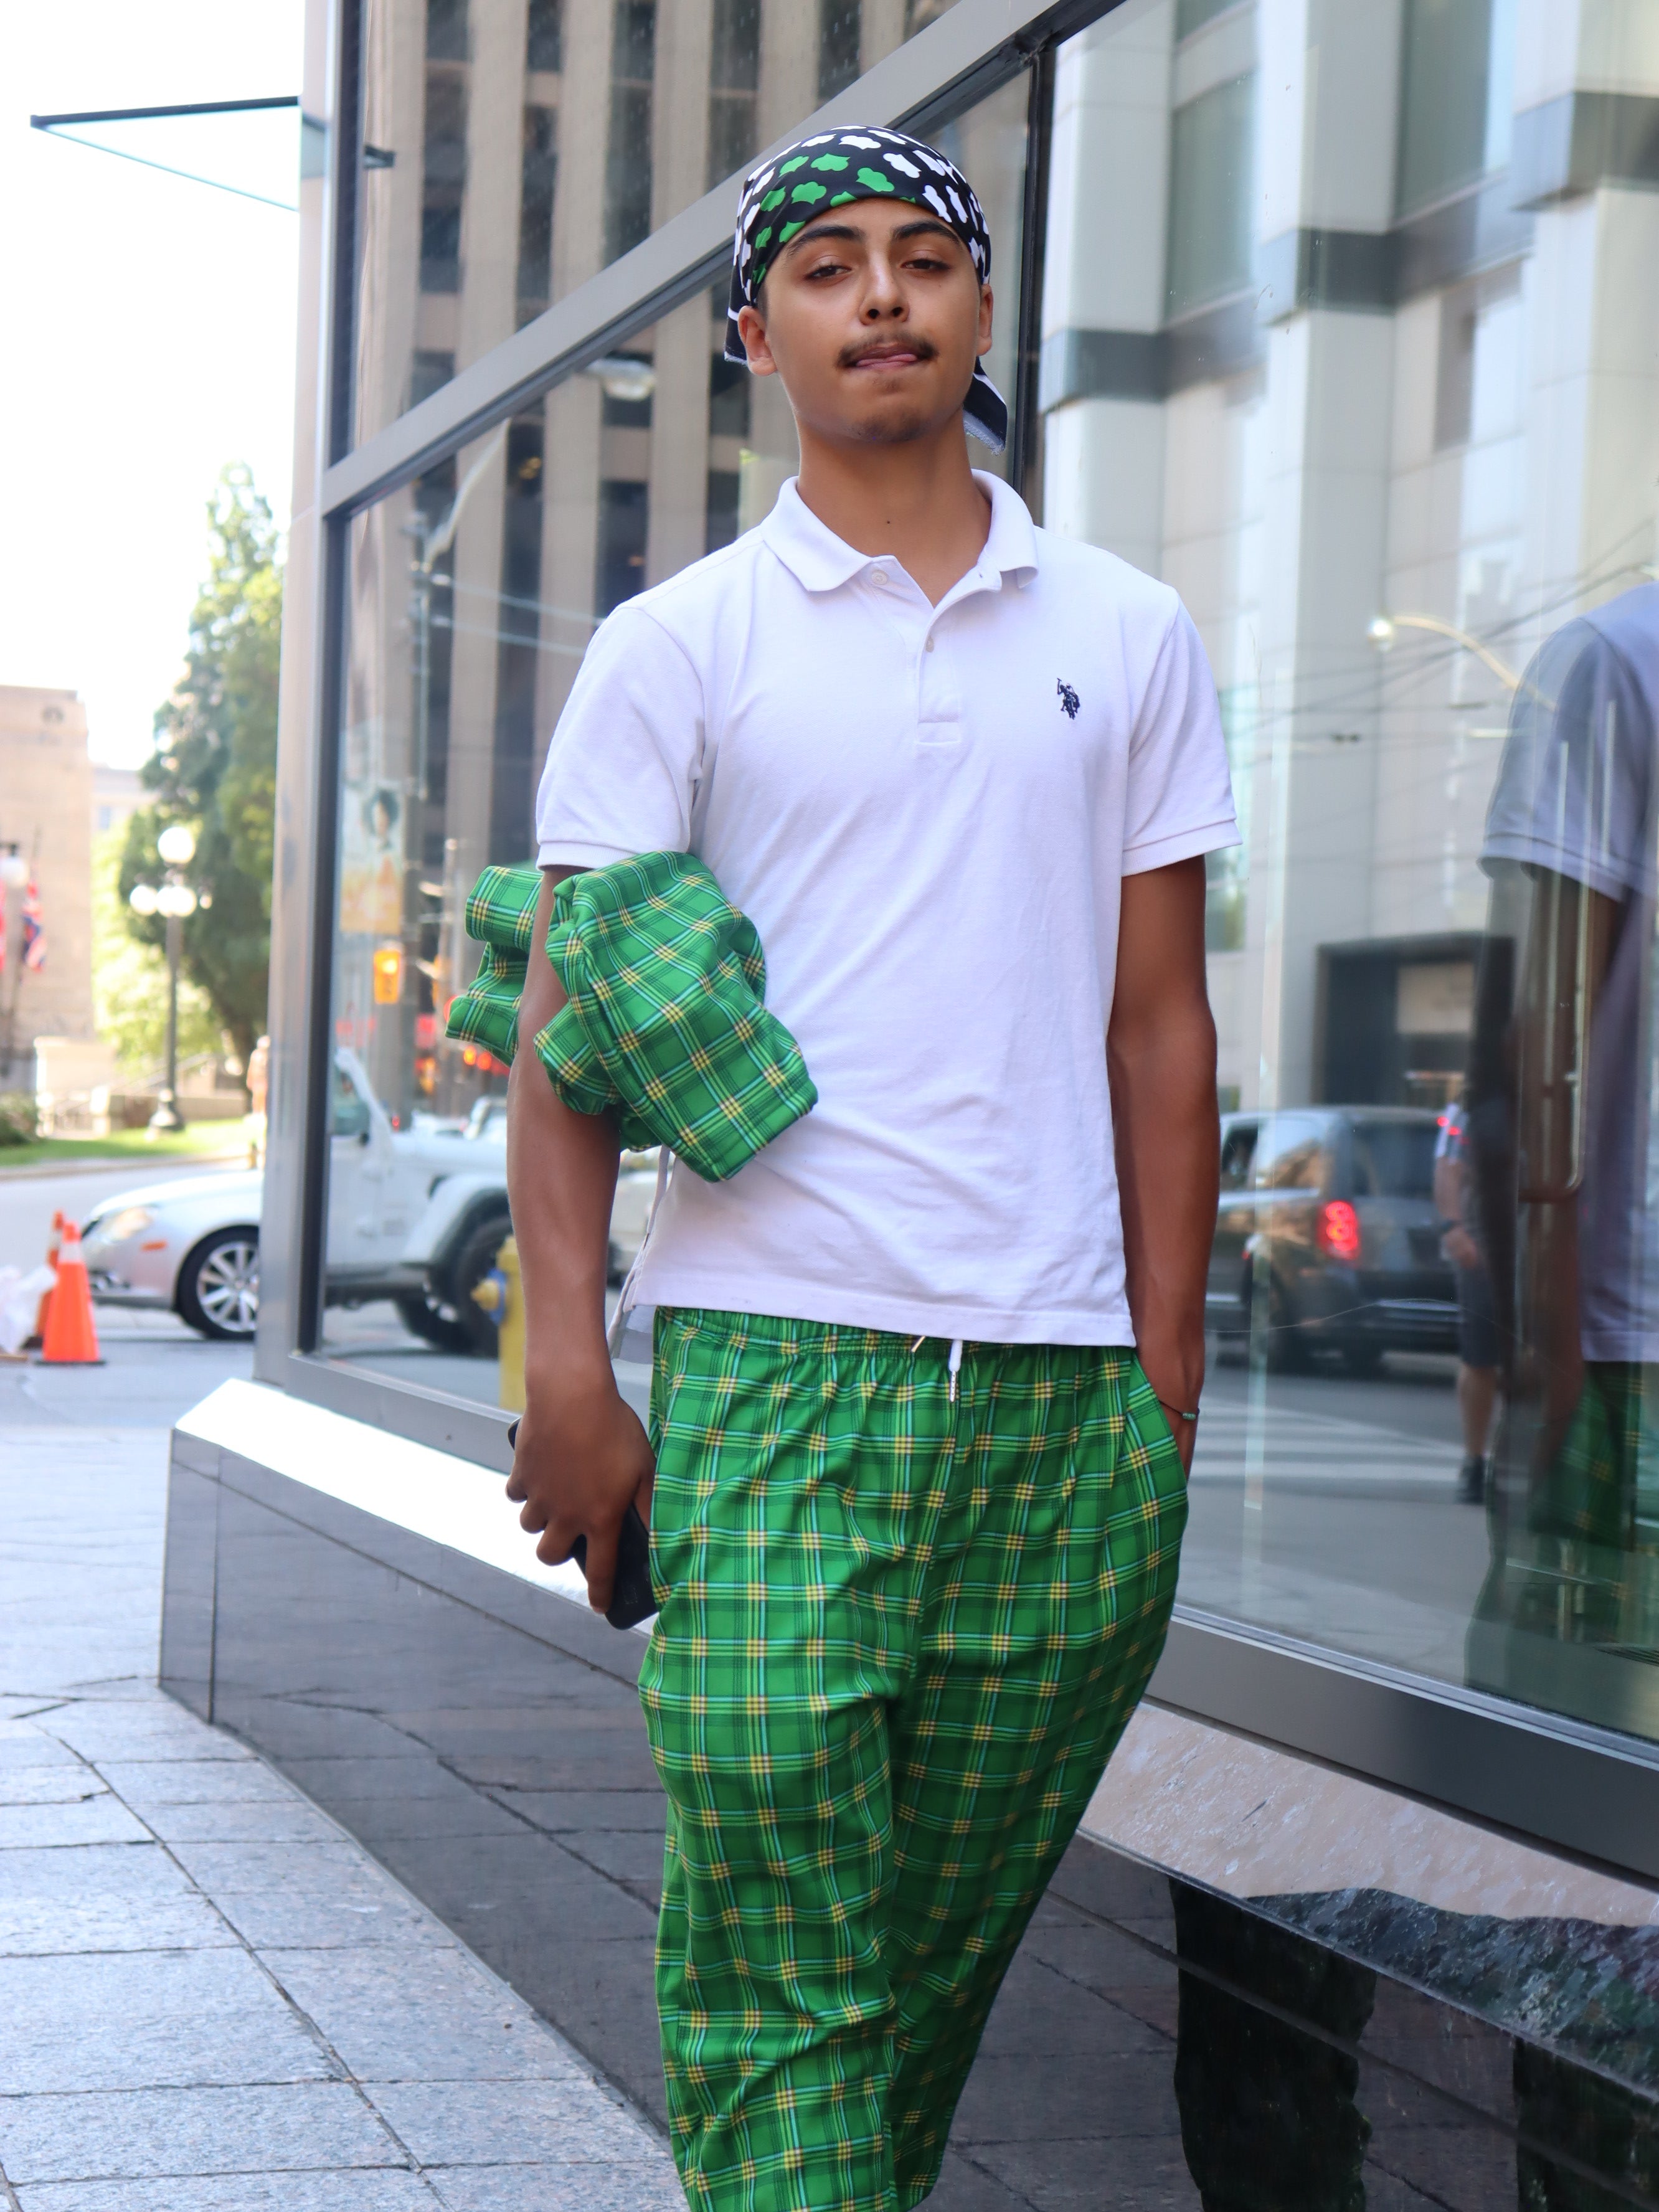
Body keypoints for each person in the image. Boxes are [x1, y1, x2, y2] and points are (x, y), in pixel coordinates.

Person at [504, 123, 1237, 2212]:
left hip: (1063, 1403)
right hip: (771, 1379)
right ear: (760, 336)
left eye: (922, 256)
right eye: (825, 265)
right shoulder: (678, 647)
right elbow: (566, 1044)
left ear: (983, 306)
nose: (883, 295)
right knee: (777, 1967)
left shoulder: (1130, 630)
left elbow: (1159, 1021)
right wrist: (574, 1370)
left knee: (916, 1976)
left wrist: (1165, 1376)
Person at [1432, 1096, 1500, 1501]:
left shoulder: (1551, 1094)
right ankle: (1475, 1460)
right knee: (1481, 1358)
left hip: (1538, 1240)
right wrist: (1453, 1227)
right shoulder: (1471, 1105)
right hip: (1482, 1242)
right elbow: (1448, 1165)